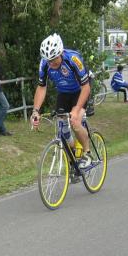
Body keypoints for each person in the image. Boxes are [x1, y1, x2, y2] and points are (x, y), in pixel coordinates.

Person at [30, 33, 93, 169]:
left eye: (54, 59)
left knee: (75, 122)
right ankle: (73, 157)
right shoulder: (44, 64)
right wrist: (35, 111)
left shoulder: (73, 59)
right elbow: (41, 87)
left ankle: (87, 153)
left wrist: (76, 110)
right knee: (61, 129)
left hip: (80, 90)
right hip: (64, 92)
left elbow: (86, 87)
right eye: (48, 60)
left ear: (61, 53)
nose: (51, 63)